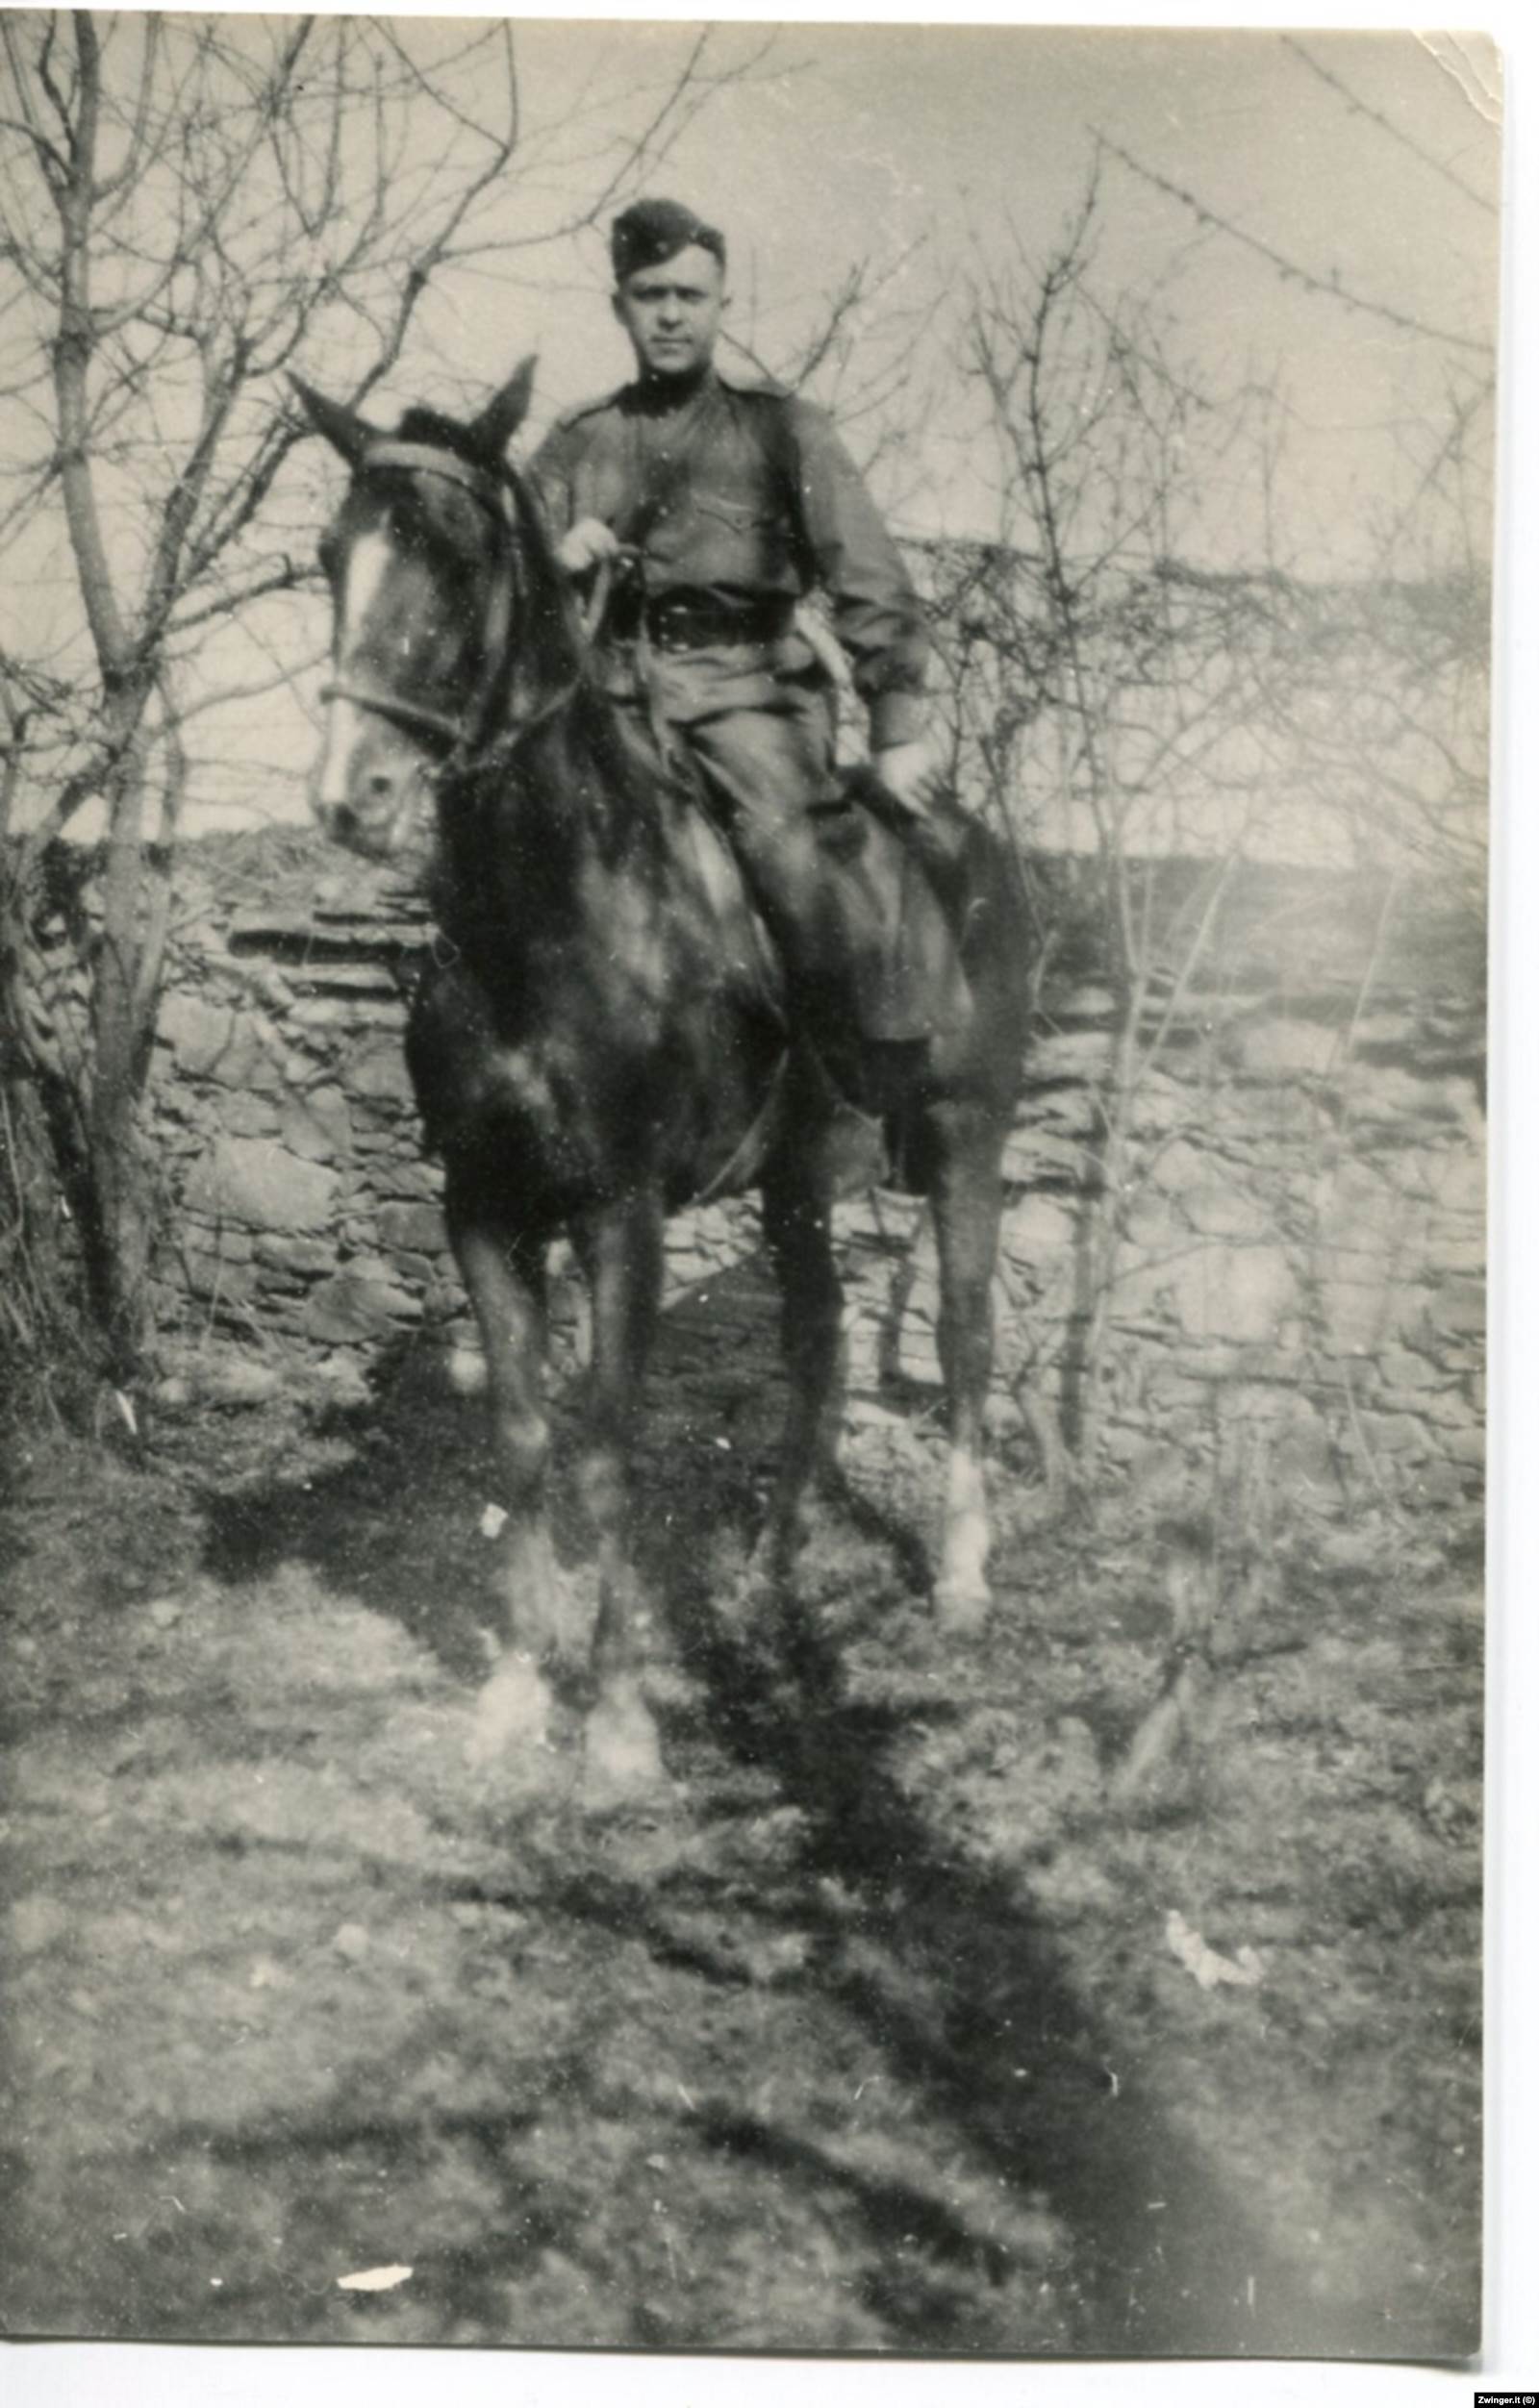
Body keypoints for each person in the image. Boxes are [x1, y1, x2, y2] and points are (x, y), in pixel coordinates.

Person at [528, 197, 961, 1073]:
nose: (671, 315)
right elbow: (500, 594)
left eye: (690, 295)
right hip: (611, 696)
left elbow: (868, 575)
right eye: (650, 294)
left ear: (723, 304)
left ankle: (850, 1080)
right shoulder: (577, 441)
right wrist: (554, 562)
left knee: (793, 857)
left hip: (748, 696)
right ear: (619, 306)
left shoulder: (781, 430)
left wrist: (896, 732)